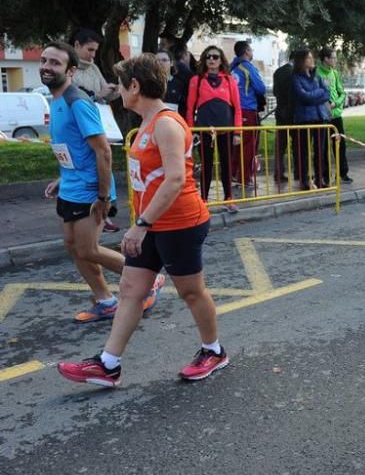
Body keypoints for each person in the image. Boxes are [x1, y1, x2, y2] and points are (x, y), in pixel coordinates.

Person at [57, 53, 226, 387]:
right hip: (153, 223)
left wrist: (141, 224)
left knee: (191, 293)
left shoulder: (165, 123)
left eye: (120, 85)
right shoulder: (146, 123)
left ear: (135, 86)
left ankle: (214, 350)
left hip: (180, 222)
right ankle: (108, 365)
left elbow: (175, 179)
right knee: (131, 289)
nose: (117, 91)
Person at [40, 42, 162, 322]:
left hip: (88, 190)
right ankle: (106, 301)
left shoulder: (77, 101)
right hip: (70, 186)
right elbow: (73, 149)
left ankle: (150, 279)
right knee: (74, 247)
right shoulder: (57, 100)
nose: (46, 66)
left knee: (88, 249)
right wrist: (61, 177)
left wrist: (104, 197)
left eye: (55, 63)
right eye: (44, 60)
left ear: (70, 71)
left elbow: (103, 150)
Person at [70, 27, 122, 232]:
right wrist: (97, 94)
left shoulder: (93, 68)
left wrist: (116, 90)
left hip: (97, 121)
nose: (92, 55)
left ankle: (106, 210)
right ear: (76, 45)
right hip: (79, 126)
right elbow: (73, 99)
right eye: (89, 50)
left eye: (95, 51)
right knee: (90, 165)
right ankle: (93, 209)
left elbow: (105, 94)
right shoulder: (69, 70)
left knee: (104, 163)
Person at [185, 46, 241, 213]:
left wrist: (237, 132)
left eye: (215, 57)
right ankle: (203, 200)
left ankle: (229, 199)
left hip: (226, 130)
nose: (211, 60)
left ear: (221, 60)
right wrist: (191, 130)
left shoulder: (230, 80)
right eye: (208, 56)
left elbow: (237, 108)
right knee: (206, 166)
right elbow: (190, 108)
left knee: (227, 165)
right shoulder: (197, 80)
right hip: (204, 130)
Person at [290, 49, 333, 190]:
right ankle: (304, 180)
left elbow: (327, 93)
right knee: (304, 152)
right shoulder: (295, 77)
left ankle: (320, 178)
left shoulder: (316, 76)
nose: (312, 59)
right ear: (302, 61)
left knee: (320, 151)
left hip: (320, 117)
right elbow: (304, 97)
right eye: (309, 58)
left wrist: (315, 95)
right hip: (304, 119)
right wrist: (318, 95)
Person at [230, 41, 267, 189]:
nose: (252, 53)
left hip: (233, 110)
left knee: (236, 145)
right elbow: (261, 88)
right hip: (248, 110)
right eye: (251, 50)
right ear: (246, 52)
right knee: (249, 145)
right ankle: (245, 178)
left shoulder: (231, 68)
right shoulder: (248, 68)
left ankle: (233, 174)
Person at [315, 47, 352, 184]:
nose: (336, 60)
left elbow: (342, 93)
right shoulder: (317, 73)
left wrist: (335, 103)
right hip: (323, 117)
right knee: (323, 147)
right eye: (334, 57)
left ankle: (343, 172)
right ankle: (324, 175)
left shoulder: (334, 73)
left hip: (336, 116)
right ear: (326, 59)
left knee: (340, 145)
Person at [271, 59, 295, 185]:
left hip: (280, 111)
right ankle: (299, 172)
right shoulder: (295, 72)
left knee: (280, 146)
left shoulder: (278, 71)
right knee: (297, 144)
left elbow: (275, 91)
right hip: (293, 113)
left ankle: (278, 173)